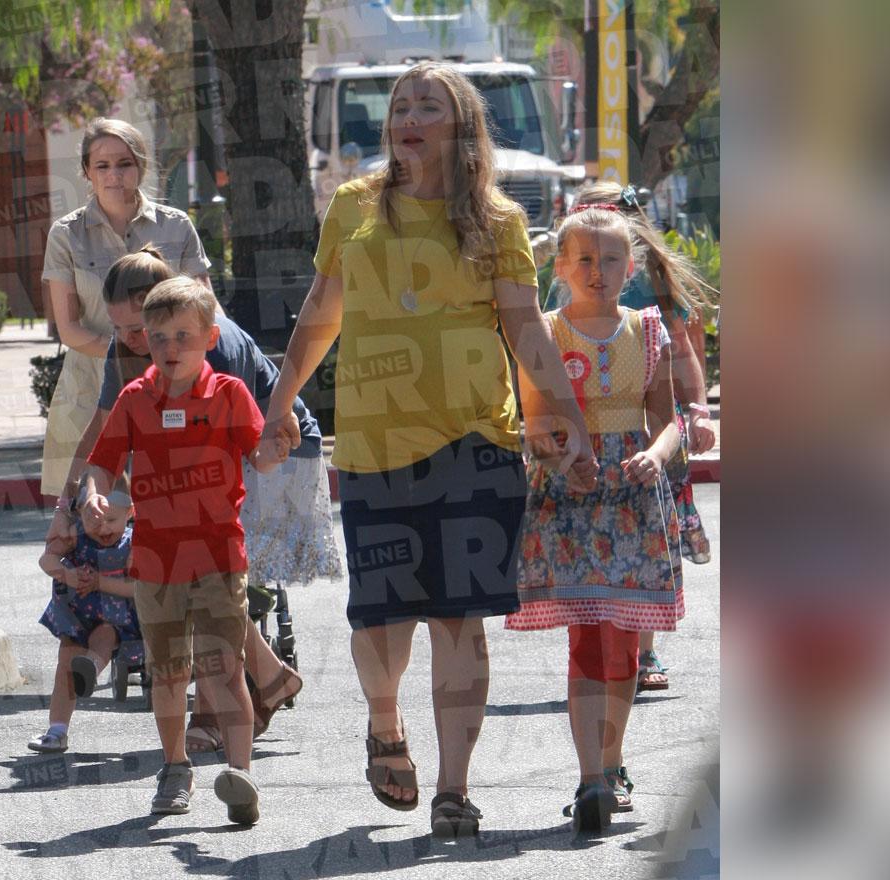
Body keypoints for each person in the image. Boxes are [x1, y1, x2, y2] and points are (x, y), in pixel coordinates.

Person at [257, 62, 593, 839]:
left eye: (427, 106)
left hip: (477, 440)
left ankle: (454, 787)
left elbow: (525, 328)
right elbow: (320, 315)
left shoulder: (497, 220)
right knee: (380, 622)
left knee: (458, 619)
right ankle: (384, 723)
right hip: (375, 445)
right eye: (400, 105)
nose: (408, 114)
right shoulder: (353, 207)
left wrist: (561, 414)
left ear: (459, 126)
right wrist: (281, 403)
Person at [45, 247, 339, 754]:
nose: (131, 341)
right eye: (122, 330)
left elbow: (215, 465)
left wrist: (132, 506)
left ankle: (213, 715)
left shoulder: (209, 347)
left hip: (279, 447)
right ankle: (269, 677)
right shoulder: (140, 347)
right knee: (196, 572)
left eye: (136, 329)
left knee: (209, 573)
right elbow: (106, 430)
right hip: (216, 469)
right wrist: (73, 501)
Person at [505, 203, 685, 833]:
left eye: (610, 259)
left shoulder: (650, 330)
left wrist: (656, 456)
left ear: (629, 266)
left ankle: (613, 765)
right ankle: (589, 779)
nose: (597, 271)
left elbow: (667, 420)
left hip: (634, 502)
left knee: (626, 641)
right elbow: (531, 420)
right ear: (560, 266)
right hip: (570, 499)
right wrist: (558, 459)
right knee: (587, 637)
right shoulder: (545, 334)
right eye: (583, 259)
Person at [78, 276, 283, 826]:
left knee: (223, 671)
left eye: (183, 337)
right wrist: (93, 497)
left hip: (219, 556)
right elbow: (102, 464)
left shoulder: (229, 395)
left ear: (210, 337)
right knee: (169, 672)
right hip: (155, 562)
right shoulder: (133, 399)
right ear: (144, 339)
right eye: (159, 337)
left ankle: (241, 774)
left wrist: (276, 447)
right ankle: (175, 766)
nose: (171, 348)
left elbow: (260, 456)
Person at [573, 182, 718, 692]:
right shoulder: (567, 281)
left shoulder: (651, 279)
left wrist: (698, 411)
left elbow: (684, 352)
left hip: (655, 433)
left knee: (653, 543)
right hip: (596, 432)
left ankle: (645, 653)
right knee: (599, 542)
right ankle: (599, 644)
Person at [39, 117, 211, 496]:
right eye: (102, 165)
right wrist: (128, 356)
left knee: (169, 510)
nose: (114, 175)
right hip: (89, 391)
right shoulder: (66, 235)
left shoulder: (177, 226)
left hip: (170, 386)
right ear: (86, 171)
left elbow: (205, 310)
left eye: (124, 163)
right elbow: (69, 330)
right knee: (86, 519)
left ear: (141, 166)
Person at [27, 479, 140, 753]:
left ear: (130, 512)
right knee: (66, 658)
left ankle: (88, 670)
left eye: (112, 520)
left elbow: (137, 586)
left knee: (104, 637)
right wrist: (68, 575)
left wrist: (100, 582)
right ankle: (57, 730)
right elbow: (46, 560)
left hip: (113, 615)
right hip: (76, 612)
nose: (103, 528)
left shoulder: (132, 545)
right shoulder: (75, 536)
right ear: (80, 515)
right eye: (94, 521)